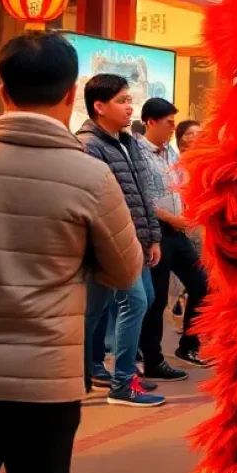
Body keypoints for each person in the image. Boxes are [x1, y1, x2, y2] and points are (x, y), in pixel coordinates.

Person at [0, 33, 142, 473]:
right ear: (70, 92)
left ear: (1, 89)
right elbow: (126, 272)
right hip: (47, 381)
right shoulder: (92, 176)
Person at [78, 75, 165, 408]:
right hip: (109, 243)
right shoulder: (88, 145)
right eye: (122, 100)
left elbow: (143, 195)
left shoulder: (127, 142)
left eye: (130, 99)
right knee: (136, 302)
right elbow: (97, 202)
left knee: (97, 309)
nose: (130, 107)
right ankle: (122, 381)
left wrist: (152, 237)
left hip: (135, 241)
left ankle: (85, 371)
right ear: (99, 106)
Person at [137, 98, 209, 378]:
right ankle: (152, 359)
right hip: (155, 233)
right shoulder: (138, 153)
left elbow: (182, 186)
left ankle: (188, 345)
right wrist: (171, 218)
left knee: (201, 284)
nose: (172, 129)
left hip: (179, 231)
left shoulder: (170, 153)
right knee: (156, 298)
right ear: (151, 122)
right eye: (168, 123)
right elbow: (140, 198)